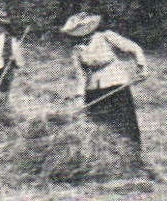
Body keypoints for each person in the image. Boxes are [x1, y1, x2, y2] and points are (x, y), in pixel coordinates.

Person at [61, 12, 147, 152]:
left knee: (124, 123)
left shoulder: (106, 37)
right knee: (99, 127)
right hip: (94, 90)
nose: (81, 38)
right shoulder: (76, 50)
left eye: (82, 34)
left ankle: (132, 155)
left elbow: (134, 48)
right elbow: (81, 75)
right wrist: (80, 97)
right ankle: (106, 159)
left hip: (116, 85)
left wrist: (141, 66)